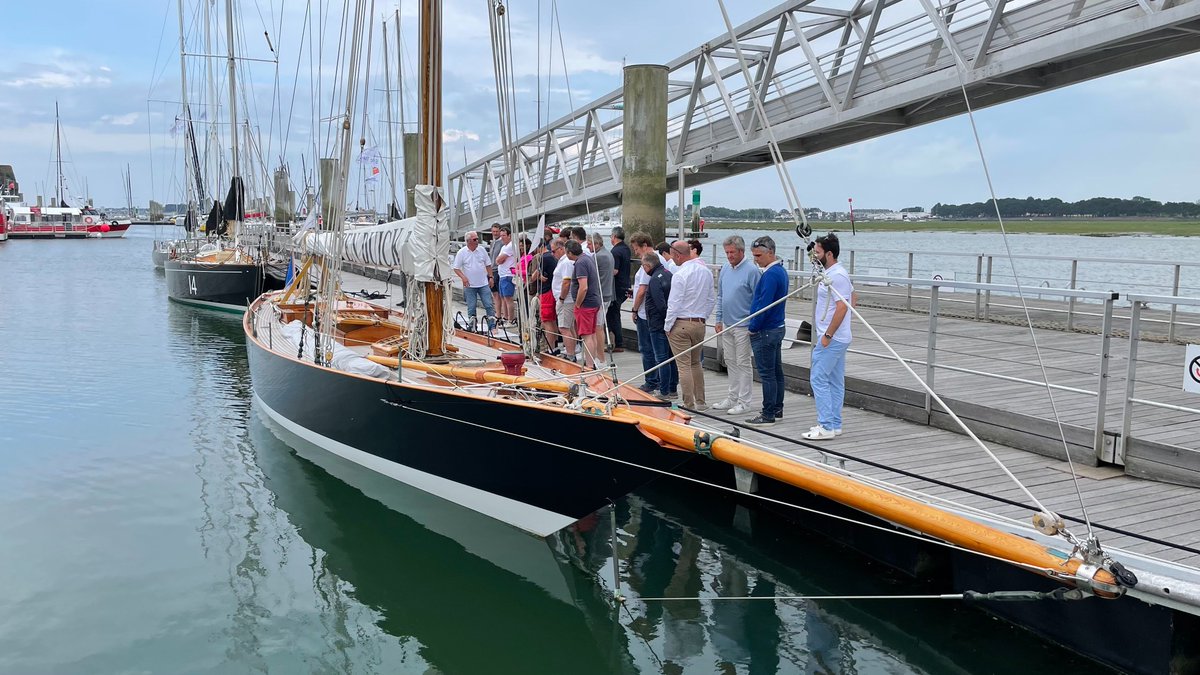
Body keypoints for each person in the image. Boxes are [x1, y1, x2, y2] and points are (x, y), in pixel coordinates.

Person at [803, 233, 853, 439]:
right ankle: (834, 423)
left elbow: (842, 307)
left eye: (818, 252)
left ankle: (825, 426)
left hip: (832, 338)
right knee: (834, 380)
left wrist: (828, 335)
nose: (814, 255)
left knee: (818, 378)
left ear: (829, 254)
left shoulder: (837, 275)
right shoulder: (832, 273)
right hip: (837, 336)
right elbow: (853, 295)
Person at [664, 240, 716, 410]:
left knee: (684, 365)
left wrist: (667, 326)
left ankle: (688, 404)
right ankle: (701, 401)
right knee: (696, 363)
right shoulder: (706, 272)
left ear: (678, 255)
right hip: (699, 323)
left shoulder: (680, 274)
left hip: (681, 323)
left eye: (673, 256)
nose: (672, 259)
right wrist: (703, 317)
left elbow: (674, 304)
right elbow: (711, 299)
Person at [744, 236, 789, 426]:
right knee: (776, 371)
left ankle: (768, 412)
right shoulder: (780, 271)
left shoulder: (770, 274)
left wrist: (753, 327)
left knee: (767, 374)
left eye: (759, 255)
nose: (756, 260)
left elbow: (765, 304)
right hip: (777, 327)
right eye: (753, 256)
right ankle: (777, 408)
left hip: (766, 330)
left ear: (770, 252)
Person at [713, 235, 758, 416]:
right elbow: (721, 295)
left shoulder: (752, 270)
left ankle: (744, 401)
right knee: (730, 361)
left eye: (732, 252)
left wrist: (754, 324)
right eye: (727, 252)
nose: (729, 256)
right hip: (728, 323)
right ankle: (732, 397)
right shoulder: (725, 268)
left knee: (743, 362)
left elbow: (757, 299)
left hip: (744, 324)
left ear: (741, 251)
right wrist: (718, 319)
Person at [641, 251, 677, 400]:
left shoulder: (655, 279)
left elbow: (660, 304)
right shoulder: (668, 273)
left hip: (658, 323)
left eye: (643, 266)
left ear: (648, 265)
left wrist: (664, 320)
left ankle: (664, 391)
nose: (643, 269)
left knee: (661, 358)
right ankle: (672, 387)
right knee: (670, 358)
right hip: (669, 323)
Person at [628, 233, 660, 394]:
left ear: (645, 246)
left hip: (644, 313)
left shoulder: (647, 263)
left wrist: (634, 309)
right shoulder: (662, 259)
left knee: (647, 348)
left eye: (636, 249)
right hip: (654, 313)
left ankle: (651, 381)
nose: (635, 253)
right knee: (658, 348)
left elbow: (642, 290)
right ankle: (659, 380)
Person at [567, 240, 604, 369]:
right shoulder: (587, 259)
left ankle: (589, 365)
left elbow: (583, 287)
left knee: (587, 335)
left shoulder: (581, 263)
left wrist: (577, 303)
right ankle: (591, 361)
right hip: (593, 302)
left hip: (585, 304)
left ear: (570, 253)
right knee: (592, 334)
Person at [452, 230, 495, 330]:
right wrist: (463, 277)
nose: (477, 241)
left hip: (483, 283)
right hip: (470, 285)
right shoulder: (461, 253)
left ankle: (492, 325)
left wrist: (491, 277)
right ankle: (472, 325)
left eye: (477, 239)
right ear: (468, 241)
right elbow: (456, 268)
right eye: (475, 239)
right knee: (471, 307)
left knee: (488, 304)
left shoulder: (482, 250)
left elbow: (488, 264)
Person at [530, 239, 560, 353]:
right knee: (552, 320)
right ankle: (554, 345)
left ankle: (550, 347)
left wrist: (536, 276)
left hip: (546, 291)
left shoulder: (544, 258)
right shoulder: (552, 257)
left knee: (547, 321)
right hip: (552, 291)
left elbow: (535, 276)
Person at [551, 239, 577, 361]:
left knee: (564, 328)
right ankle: (570, 351)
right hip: (566, 299)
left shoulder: (566, 262)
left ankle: (570, 355)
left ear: (561, 249)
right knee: (569, 327)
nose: (552, 254)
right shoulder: (563, 261)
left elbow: (566, 282)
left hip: (566, 300)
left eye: (553, 251)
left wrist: (561, 298)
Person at [607, 226, 631, 352]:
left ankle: (618, 343)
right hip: (625, 284)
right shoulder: (626, 249)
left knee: (613, 314)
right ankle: (615, 341)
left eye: (611, 236)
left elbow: (614, 271)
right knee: (614, 313)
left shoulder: (615, 251)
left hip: (616, 287)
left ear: (614, 237)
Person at [589, 232, 614, 342]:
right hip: (607, 293)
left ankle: (599, 354)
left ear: (597, 244)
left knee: (597, 327)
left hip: (600, 295)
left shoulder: (598, 256)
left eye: (589, 244)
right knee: (600, 325)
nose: (587, 246)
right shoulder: (609, 254)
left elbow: (591, 277)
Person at [494, 225, 515, 324]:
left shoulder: (511, 246)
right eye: (501, 235)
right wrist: (500, 261)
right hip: (502, 274)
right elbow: (498, 260)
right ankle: (505, 317)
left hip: (508, 274)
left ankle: (511, 319)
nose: (502, 237)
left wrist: (500, 260)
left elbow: (499, 260)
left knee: (508, 298)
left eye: (504, 235)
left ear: (509, 235)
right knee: (503, 297)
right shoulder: (503, 247)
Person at [488, 223, 504, 317]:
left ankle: (499, 314)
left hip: (498, 269)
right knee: (494, 293)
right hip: (492, 269)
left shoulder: (501, 242)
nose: (495, 233)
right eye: (493, 231)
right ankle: (497, 313)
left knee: (499, 293)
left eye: (497, 231)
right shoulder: (492, 242)